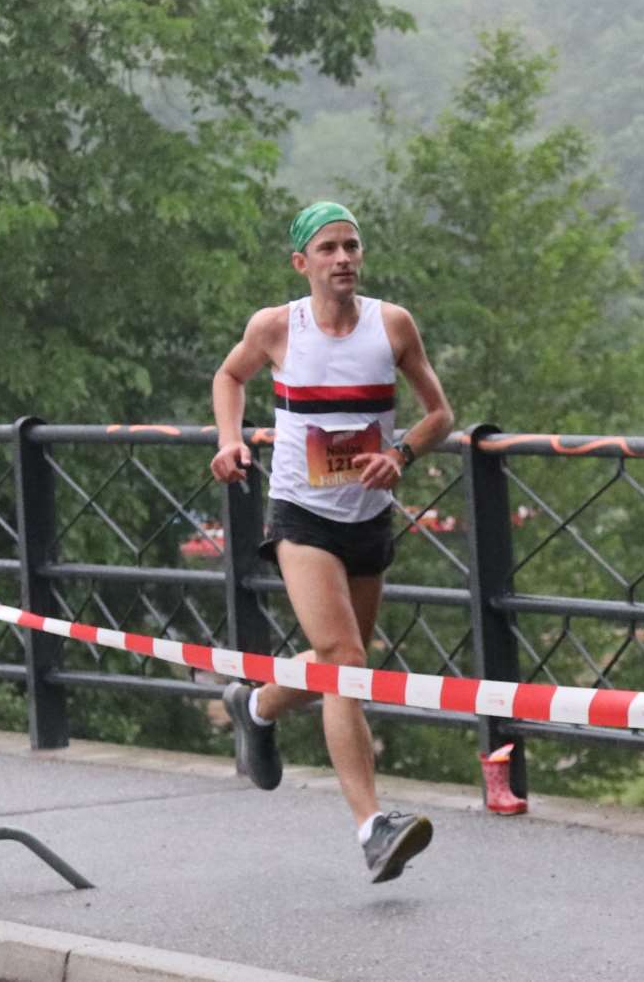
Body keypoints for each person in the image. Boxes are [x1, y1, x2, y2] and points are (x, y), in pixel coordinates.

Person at [209, 200, 455, 883]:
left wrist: (401, 453)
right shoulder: (276, 326)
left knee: (338, 660)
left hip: (367, 516)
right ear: (302, 263)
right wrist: (230, 440)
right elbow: (229, 376)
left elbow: (440, 414)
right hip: (301, 515)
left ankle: (254, 705)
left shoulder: (392, 324)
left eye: (351, 246)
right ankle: (373, 828)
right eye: (328, 248)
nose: (343, 258)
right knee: (344, 660)